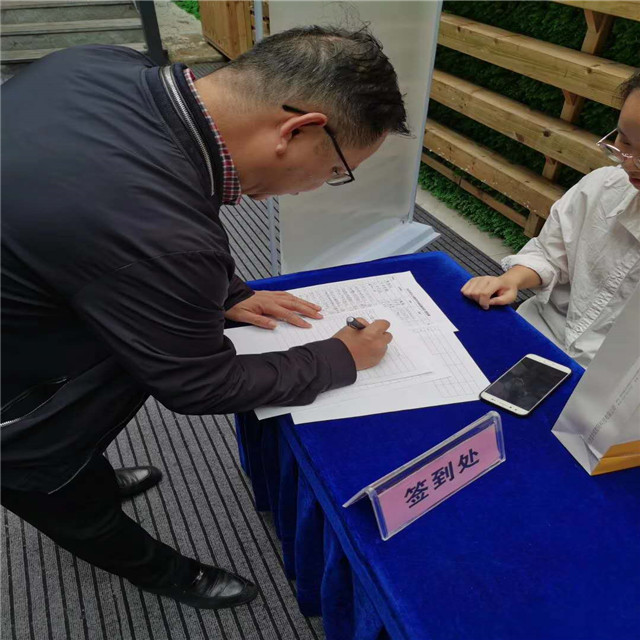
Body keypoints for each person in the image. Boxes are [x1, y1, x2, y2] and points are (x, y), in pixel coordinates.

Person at [1, 27, 406, 610]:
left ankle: (93, 476)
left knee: (79, 466)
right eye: (338, 169)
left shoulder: (95, 64)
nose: (320, 186)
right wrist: (338, 356)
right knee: (54, 486)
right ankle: (166, 573)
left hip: (27, 299)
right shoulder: (163, 236)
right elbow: (198, 383)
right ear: (297, 130)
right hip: (17, 396)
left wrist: (221, 293)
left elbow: (111, 236)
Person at [461, 70, 640, 367]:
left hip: (611, 380)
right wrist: (511, 280)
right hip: (540, 332)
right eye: (624, 140)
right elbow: (551, 254)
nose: (628, 164)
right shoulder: (602, 186)